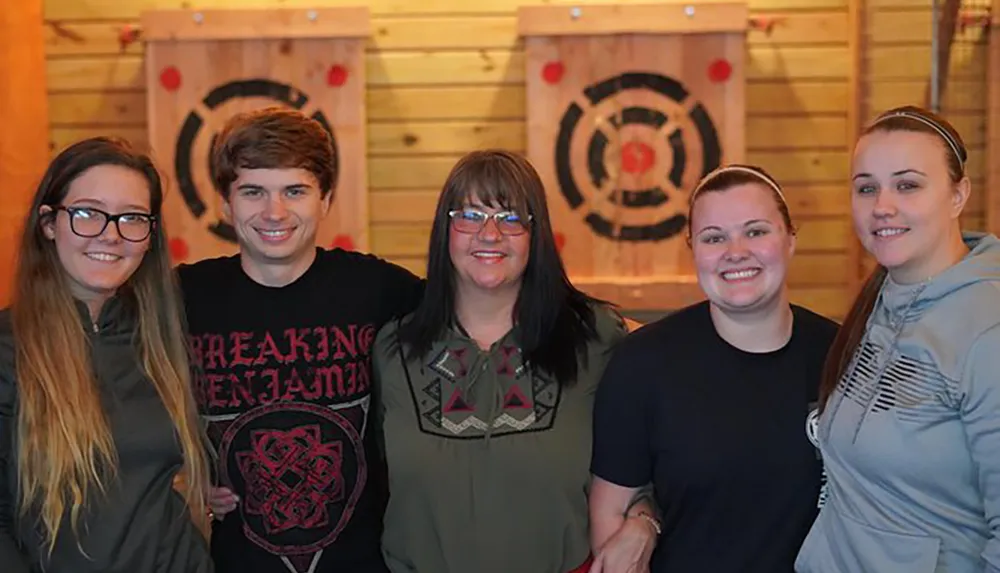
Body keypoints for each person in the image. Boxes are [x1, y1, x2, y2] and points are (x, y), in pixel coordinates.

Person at [177, 107, 424, 573]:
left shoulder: (379, 289)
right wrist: (179, 478)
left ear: (326, 199)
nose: (275, 212)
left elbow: (479, 317)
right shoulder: (181, 299)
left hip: (364, 561)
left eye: (295, 190)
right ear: (226, 203)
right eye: (253, 191)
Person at [371, 149, 638, 573]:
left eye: (511, 218)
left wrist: (646, 522)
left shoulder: (595, 337)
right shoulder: (393, 349)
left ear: (538, 235)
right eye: (471, 216)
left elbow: (657, 449)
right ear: (446, 231)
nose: (490, 235)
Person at [589, 164, 840, 572]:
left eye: (756, 231)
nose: (735, 251)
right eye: (714, 237)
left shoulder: (841, 355)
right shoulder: (643, 364)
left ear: (791, 238)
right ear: (693, 249)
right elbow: (610, 520)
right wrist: (644, 521)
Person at [794, 106, 1000, 572]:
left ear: (957, 194)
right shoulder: (882, 299)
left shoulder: (988, 327)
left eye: (907, 185)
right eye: (867, 187)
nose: (882, 205)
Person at [0, 137, 213, 573]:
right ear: (48, 223)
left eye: (132, 218)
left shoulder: (160, 338)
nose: (111, 235)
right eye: (87, 214)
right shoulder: (8, 349)